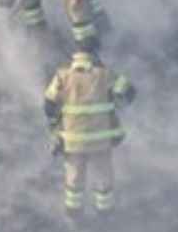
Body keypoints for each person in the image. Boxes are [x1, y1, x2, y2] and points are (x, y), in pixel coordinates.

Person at [42, 36, 135, 222]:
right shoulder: (105, 74)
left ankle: (74, 219)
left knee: (74, 180)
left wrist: (54, 125)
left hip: (73, 140)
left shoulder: (63, 75)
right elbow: (129, 91)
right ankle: (105, 216)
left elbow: (49, 104)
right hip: (100, 140)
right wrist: (115, 102)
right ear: (94, 53)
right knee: (103, 178)